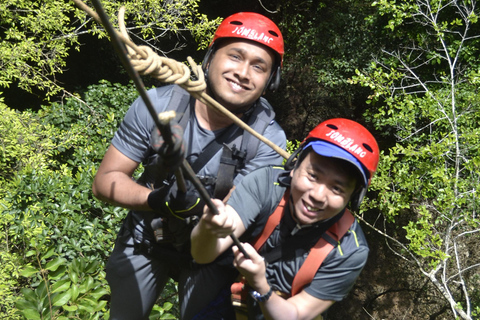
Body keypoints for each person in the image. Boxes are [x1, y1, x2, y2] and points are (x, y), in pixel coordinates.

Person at [92, 12, 286, 320]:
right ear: (209, 58)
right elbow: (105, 182)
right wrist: (157, 200)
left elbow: (231, 219)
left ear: (270, 80)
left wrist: (202, 214)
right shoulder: (158, 106)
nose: (243, 72)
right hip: (146, 236)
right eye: (234, 56)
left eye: (259, 66)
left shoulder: (267, 141)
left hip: (210, 253)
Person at [191, 118, 380, 320]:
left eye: (337, 188)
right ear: (294, 165)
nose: (318, 195)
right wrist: (209, 229)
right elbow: (203, 255)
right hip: (233, 299)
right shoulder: (265, 185)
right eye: (313, 176)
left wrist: (261, 284)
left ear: (354, 197)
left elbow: (295, 314)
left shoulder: (350, 250)